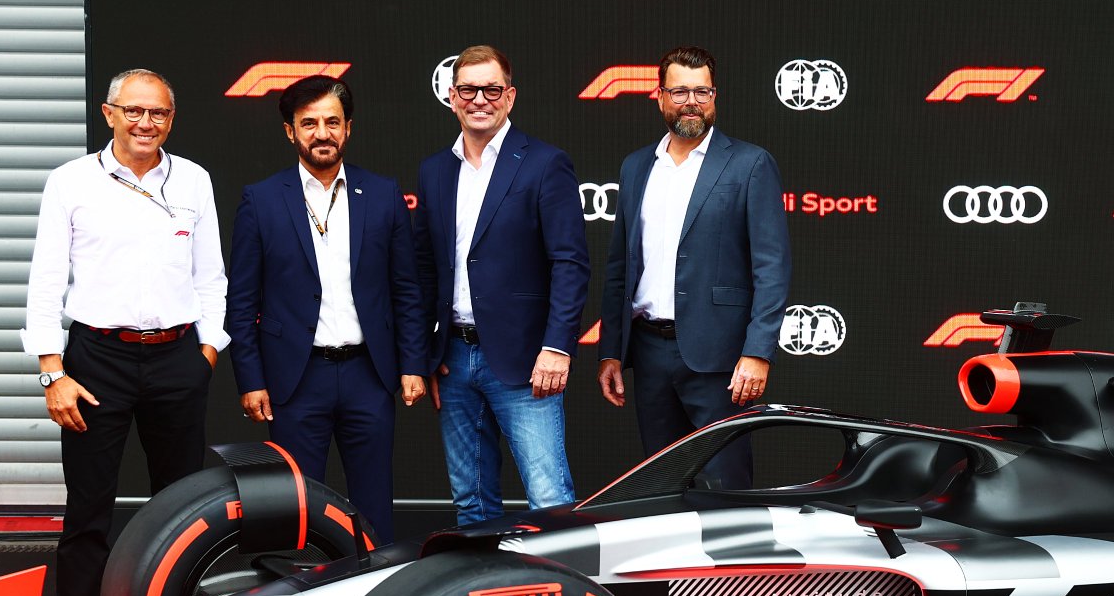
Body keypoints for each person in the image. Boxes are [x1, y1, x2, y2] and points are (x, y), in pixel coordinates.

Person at [23, 69, 227, 596]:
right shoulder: (70, 182)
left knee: (182, 511)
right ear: (108, 114)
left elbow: (211, 277)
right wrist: (52, 374)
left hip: (177, 357)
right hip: (96, 361)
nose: (145, 123)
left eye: (158, 113)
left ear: (171, 119)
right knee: (88, 511)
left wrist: (207, 352)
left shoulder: (193, 181)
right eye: (133, 111)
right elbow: (45, 282)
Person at [225, 75, 427, 545]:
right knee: (296, 506)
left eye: (332, 122)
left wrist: (413, 364)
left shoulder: (382, 193)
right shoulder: (261, 199)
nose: (322, 133)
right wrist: (251, 379)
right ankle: (298, 586)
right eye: (309, 123)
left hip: (368, 375)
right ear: (290, 131)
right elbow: (242, 301)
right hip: (295, 379)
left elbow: (406, 289)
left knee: (373, 505)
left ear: (348, 128)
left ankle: (376, 584)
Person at [596, 46, 791, 488]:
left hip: (720, 359)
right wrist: (610, 351)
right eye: (680, 91)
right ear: (660, 97)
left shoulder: (750, 164)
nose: (692, 102)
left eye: (702, 92)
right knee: (660, 488)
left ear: (714, 96)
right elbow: (619, 266)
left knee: (727, 488)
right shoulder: (636, 167)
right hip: (648, 352)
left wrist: (758, 352)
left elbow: (772, 268)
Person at [415, 45, 589, 525]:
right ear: (452, 97)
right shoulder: (434, 170)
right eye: (468, 90)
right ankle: (482, 578)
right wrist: (426, 354)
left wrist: (557, 347)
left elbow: (570, 263)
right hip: (452, 360)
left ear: (510, 97)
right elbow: (425, 268)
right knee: (470, 503)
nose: (480, 100)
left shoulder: (545, 163)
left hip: (527, 360)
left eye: (492, 90)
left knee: (550, 499)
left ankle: (559, 580)